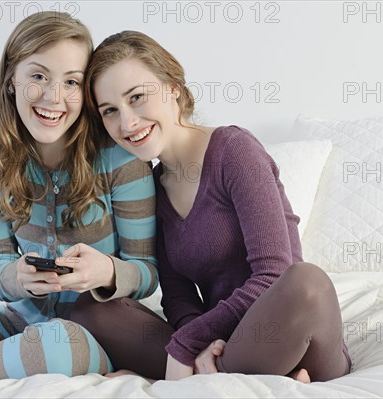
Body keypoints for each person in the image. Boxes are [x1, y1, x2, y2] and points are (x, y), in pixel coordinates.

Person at [71, 30, 351, 383]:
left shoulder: (234, 151)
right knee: (91, 307)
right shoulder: (150, 188)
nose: (127, 123)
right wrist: (201, 340)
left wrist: (186, 344)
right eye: (110, 111)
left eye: (137, 97)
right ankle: (228, 374)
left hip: (288, 331)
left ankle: (201, 375)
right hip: (223, 343)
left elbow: (273, 273)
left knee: (307, 281)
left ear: (173, 86)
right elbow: (177, 295)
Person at [0, 14, 158, 383]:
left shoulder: (119, 155)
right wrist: (18, 277)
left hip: (92, 335)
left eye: (71, 82)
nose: (53, 97)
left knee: (56, 344)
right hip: (16, 326)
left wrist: (104, 271)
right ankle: (6, 361)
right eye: (39, 76)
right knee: (40, 342)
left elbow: (148, 272)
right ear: (12, 78)